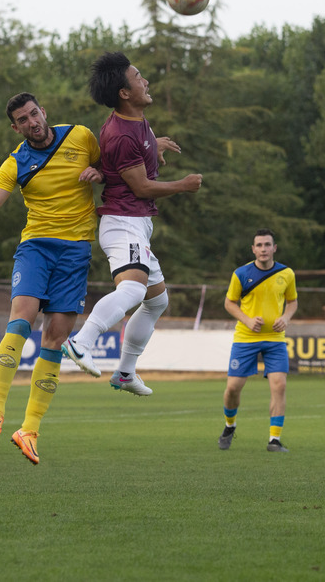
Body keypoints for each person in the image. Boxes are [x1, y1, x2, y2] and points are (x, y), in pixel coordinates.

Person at [0, 91, 102, 464]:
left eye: (34, 114)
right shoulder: (15, 162)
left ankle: (29, 430)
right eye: (22, 120)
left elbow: (114, 169)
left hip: (76, 251)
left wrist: (100, 172)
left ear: (44, 113)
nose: (31, 122)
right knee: (20, 320)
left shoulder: (80, 136)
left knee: (55, 338)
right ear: (16, 127)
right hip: (37, 247)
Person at [62, 51, 203, 396]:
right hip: (123, 223)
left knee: (157, 301)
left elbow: (132, 156)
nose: (146, 81)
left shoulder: (135, 121)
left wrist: (155, 144)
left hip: (135, 224)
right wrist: (182, 186)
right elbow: (140, 186)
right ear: (124, 93)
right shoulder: (123, 135)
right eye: (139, 77)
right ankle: (81, 342)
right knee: (133, 290)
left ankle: (124, 372)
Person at [218, 229, 298, 453]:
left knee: (279, 386)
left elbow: (292, 302)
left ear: (274, 248)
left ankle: (274, 440)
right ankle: (229, 425)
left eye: (267, 245)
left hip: (275, 339)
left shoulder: (287, 274)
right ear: (253, 249)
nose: (263, 249)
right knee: (233, 388)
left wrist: (286, 317)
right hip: (245, 339)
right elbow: (229, 303)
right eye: (259, 245)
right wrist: (247, 319)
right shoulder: (241, 274)